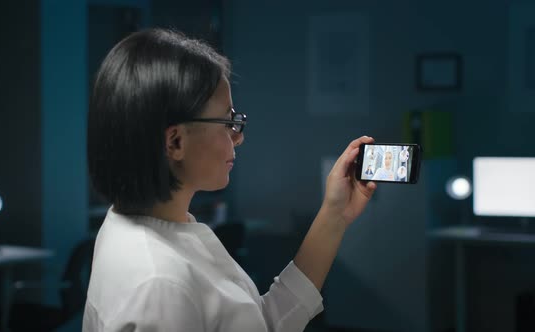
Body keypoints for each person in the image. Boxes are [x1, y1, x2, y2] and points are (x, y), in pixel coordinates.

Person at [84, 28, 377, 332]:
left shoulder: (152, 225)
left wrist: (334, 215)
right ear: (175, 142)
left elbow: (261, 323)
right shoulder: (160, 285)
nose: (238, 138)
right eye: (227, 122)